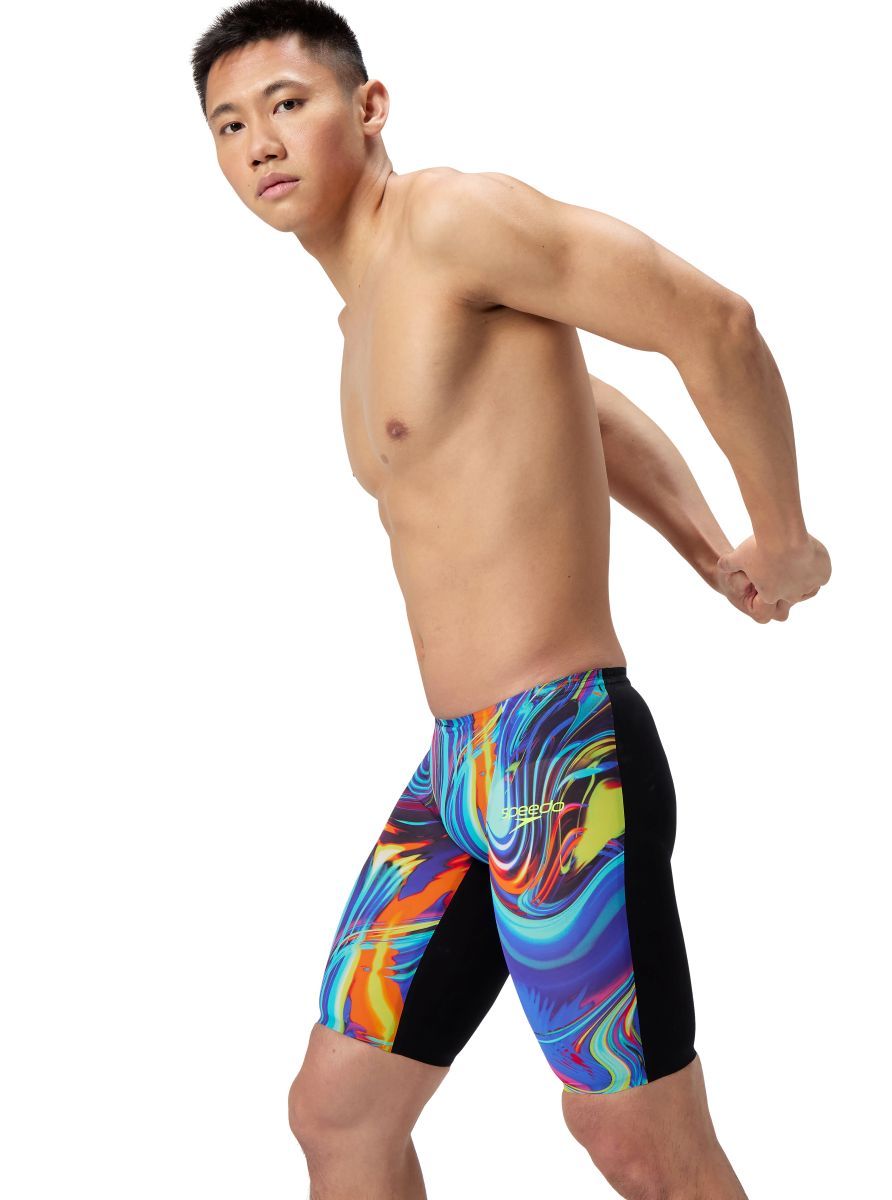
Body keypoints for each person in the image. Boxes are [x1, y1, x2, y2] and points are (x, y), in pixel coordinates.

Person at [191, 2, 832, 1196]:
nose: (260, 142)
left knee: (637, 1140)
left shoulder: (450, 221)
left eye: (286, 103)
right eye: (229, 125)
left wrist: (782, 537)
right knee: (339, 1112)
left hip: (559, 760)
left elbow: (711, 321)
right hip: (459, 774)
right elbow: (580, 405)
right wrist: (705, 547)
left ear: (368, 107)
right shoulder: (365, 315)